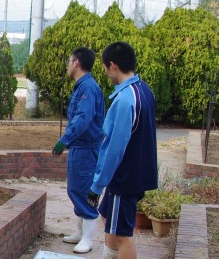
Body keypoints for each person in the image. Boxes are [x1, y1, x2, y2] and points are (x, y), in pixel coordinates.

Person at [90, 42, 158, 259]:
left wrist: (97, 185)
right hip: (136, 173)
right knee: (107, 216)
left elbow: (114, 149)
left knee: (122, 234)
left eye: (105, 68)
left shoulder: (125, 99)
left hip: (124, 178)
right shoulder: (143, 90)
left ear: (113, 66)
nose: (106, 73)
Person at [53, 47, 105, 253]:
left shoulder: (88, 88)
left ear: (76, 63)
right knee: (75, 188)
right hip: (80, 147)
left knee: (84, 189)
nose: (67, 64)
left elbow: (83, 118)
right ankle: (80, 232)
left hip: (87, 147)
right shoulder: (82, 86)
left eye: (69, 60)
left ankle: (88, 238)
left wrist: (64, 140)